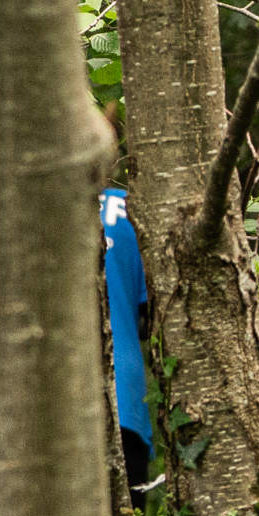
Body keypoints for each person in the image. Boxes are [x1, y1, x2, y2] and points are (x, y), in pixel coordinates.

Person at [101, 185, 155, 495]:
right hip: (122, 397)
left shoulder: (17, 207)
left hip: (44, 407)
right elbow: (154, 311)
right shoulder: (129, 206)